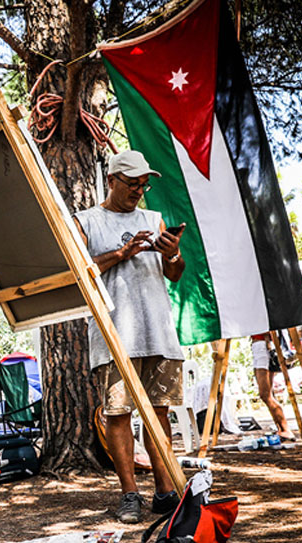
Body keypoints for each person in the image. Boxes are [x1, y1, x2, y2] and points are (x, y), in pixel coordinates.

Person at [73, 150, 187, 523]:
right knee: (118, 414)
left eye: (144, 184)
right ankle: (129, 494)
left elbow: (174, 274)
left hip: (158, 331)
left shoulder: (153, 219)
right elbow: (77, 274)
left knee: (159, 412)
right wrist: (120, 253)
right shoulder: (86, 221)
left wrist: (172, 255)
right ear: (111, 180)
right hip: (114, 334)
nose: (139, 190)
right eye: (132, 183)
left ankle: (165, 491)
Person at [249, 333, 293, 439]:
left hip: (263, 346)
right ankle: (282, 429)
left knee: (265, 395)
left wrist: (268, 342)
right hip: (260, 346)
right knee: (267, 394)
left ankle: (285, 429)